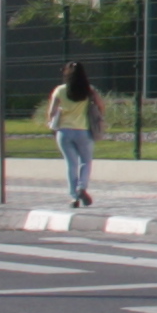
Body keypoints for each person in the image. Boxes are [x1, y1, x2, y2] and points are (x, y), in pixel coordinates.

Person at [38, 60, 107, 209]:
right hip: (83, 131)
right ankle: (82, 187)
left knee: (71, 164)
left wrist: (52, 122)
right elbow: (101, 106)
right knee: (86, 162)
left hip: (64, 132)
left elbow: (51, 112)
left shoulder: (60, 90)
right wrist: (99, 115)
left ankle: (74, 197)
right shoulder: (89, 90)